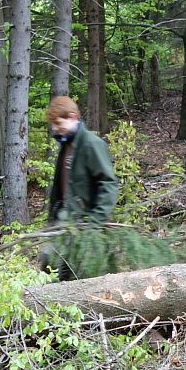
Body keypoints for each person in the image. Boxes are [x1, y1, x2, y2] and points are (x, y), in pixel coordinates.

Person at [41, 96, 119, 277]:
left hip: (83, 224)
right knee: (48, 265)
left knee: (75, 274)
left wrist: (94, 222)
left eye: (58, 123)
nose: (55, 128)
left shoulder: (91, 144)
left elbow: (108, 184)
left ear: (72, 117)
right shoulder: (67, 143)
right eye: (53, 124)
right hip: (62, 220)